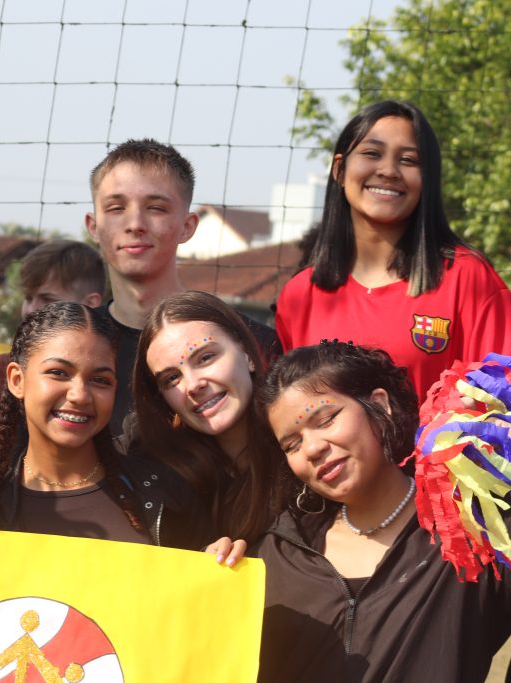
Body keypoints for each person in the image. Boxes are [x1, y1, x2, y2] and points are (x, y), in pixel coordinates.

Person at [253, 341, 511, 682]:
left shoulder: (471, 530)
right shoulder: (275, 556)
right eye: (292, 444)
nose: (312, 448)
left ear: (380, 405)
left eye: (326, 419)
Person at [275, 100, 511, 400]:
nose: (388, 170)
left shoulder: (469, 279)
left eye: (409, 160)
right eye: (372, 154)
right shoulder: (299, 296)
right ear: (339, 168)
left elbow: (501, 406)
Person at [0, 301, 217, 552]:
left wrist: (222, 564)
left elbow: (205, 590)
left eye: (99, 380)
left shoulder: (167, 496)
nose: (80, 395)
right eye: (59, 373)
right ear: (16, 380)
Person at [85, 139, 280, 439]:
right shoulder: (76, 348)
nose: (135, 223)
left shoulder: (253, 342)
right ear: (93, 226)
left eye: (156, 208)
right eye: (116, 207)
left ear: (188, 226)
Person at [130, 291, 282, 543]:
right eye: (171, 378)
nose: (193, 385)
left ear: (247, 355)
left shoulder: (304, 449)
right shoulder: (156, 480)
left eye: (205, 358)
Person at [0, 239, 106, 424]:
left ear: (90, 304)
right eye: (28, 298)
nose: (30, 309)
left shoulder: (112, 376)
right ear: (14, 378)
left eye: (48, 299)